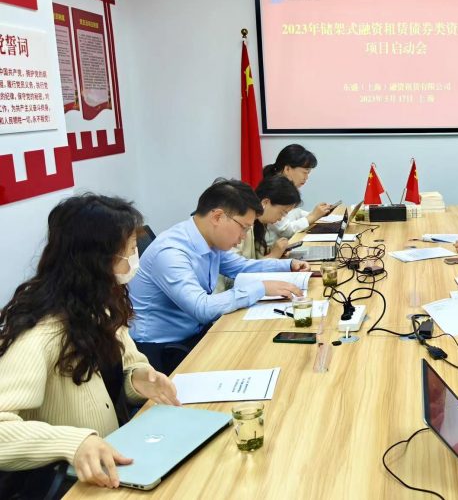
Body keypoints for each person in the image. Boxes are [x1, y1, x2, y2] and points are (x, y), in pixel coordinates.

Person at [0, 194, 179, 496]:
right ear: (96, 259)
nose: (135, 257)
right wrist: (73, 442)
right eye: (130, 250)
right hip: (68, 482)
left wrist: (137, 379)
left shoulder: (100, 305)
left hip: (114, 462)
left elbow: (123, 368)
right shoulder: (40, 333)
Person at [128, 179, 309, 374]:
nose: (243, 236)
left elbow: (241, 267)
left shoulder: (209, 240)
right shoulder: (171, 252)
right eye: (243, 228)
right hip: (162, 353)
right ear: (217, 217)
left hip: (195, 335)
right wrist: (261, 288)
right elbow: (202, 308)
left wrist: (287, 265)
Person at [262, 144, 333, 245]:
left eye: (308, 173)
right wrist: (312, 216)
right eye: (305, 172)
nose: (306, 177)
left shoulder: (285, 188)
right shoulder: (273, 190)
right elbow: (286, 230)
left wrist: (317, 214)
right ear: (287, 169)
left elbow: (295, 213)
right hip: (274, 249)